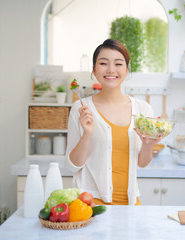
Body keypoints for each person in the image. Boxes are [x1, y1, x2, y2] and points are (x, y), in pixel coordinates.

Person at [65, 39, 161, 205]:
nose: (111, 70)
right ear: (94, 70)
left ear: (126, 69)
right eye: (103, 63)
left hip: (131, 204)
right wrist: (87, 134)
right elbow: (73, 165)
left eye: (118, 63)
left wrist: (148, 145)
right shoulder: (80, 108)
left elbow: (142, 163)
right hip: (91, 204)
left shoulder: (143, 110)